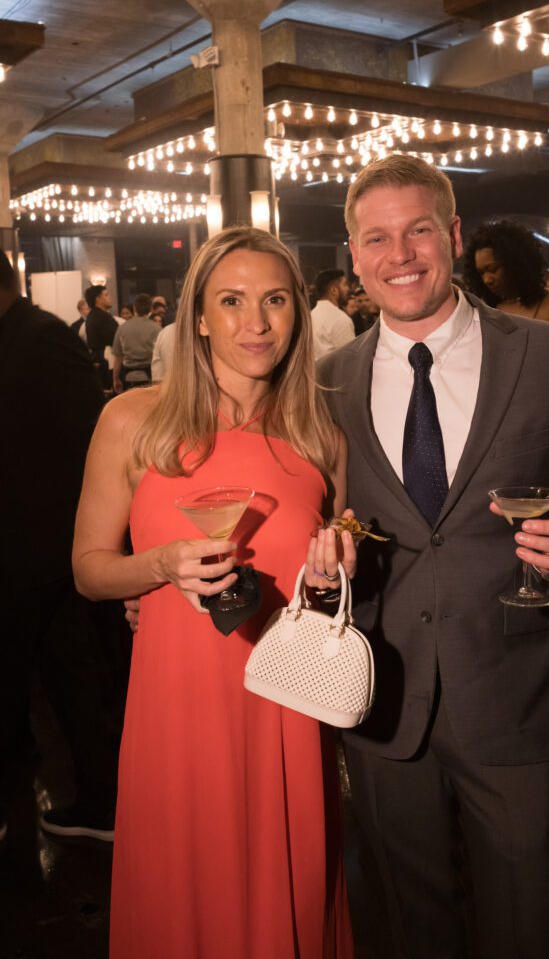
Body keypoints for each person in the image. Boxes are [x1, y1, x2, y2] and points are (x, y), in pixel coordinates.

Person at [318, 155, 549, 959]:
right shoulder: (324, 385)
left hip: (516, 698)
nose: (402, 254)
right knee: (413, 924)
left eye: (419, 229)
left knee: (526, 924)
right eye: (378, 238)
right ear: (353, 255)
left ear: (453, 235)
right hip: (385, 707)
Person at [73, 227, 355, 959]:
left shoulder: (320, 433)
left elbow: (332, 586)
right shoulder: (132, 421)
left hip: (287, 712)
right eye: (231, 302)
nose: (255, 323)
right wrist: (161, 565)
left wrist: (331, 576)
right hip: (177, 712)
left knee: (282, 897)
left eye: (274, 301)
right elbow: (89, 569)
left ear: (298, 311)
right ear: (197, 316)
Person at [0, 252, 126, 843]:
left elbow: (92, 434)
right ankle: (95, 798)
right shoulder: (21, 335)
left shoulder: (40, 336)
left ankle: (100, 801)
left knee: (71, 675)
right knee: (64, 675)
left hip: (47, 546)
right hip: (32, 544)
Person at [463, 220, 549, 330]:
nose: (486, 280)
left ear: (515, 263)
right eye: (481, 273)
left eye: (493, 269)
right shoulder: (485, 309)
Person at [111, 292, 160, 393]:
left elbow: (118, 357)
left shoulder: (123, 328)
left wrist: (115, 379)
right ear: (151, 308)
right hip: (150, 375)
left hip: (129, 376)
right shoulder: (157, 328)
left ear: (134, 308)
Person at [311, 269, 355, 358]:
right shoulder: (340, 319)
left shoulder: (310, 316)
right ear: (334, 290)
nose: (348, 289)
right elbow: (349, 359)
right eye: (344, 284)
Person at [84, 284, 119, 391]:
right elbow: (116, 340)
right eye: (106, 295)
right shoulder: (102, 317)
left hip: (99, 357)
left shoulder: (93, 315)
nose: (110, 298)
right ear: (98, 299)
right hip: (106, 359)